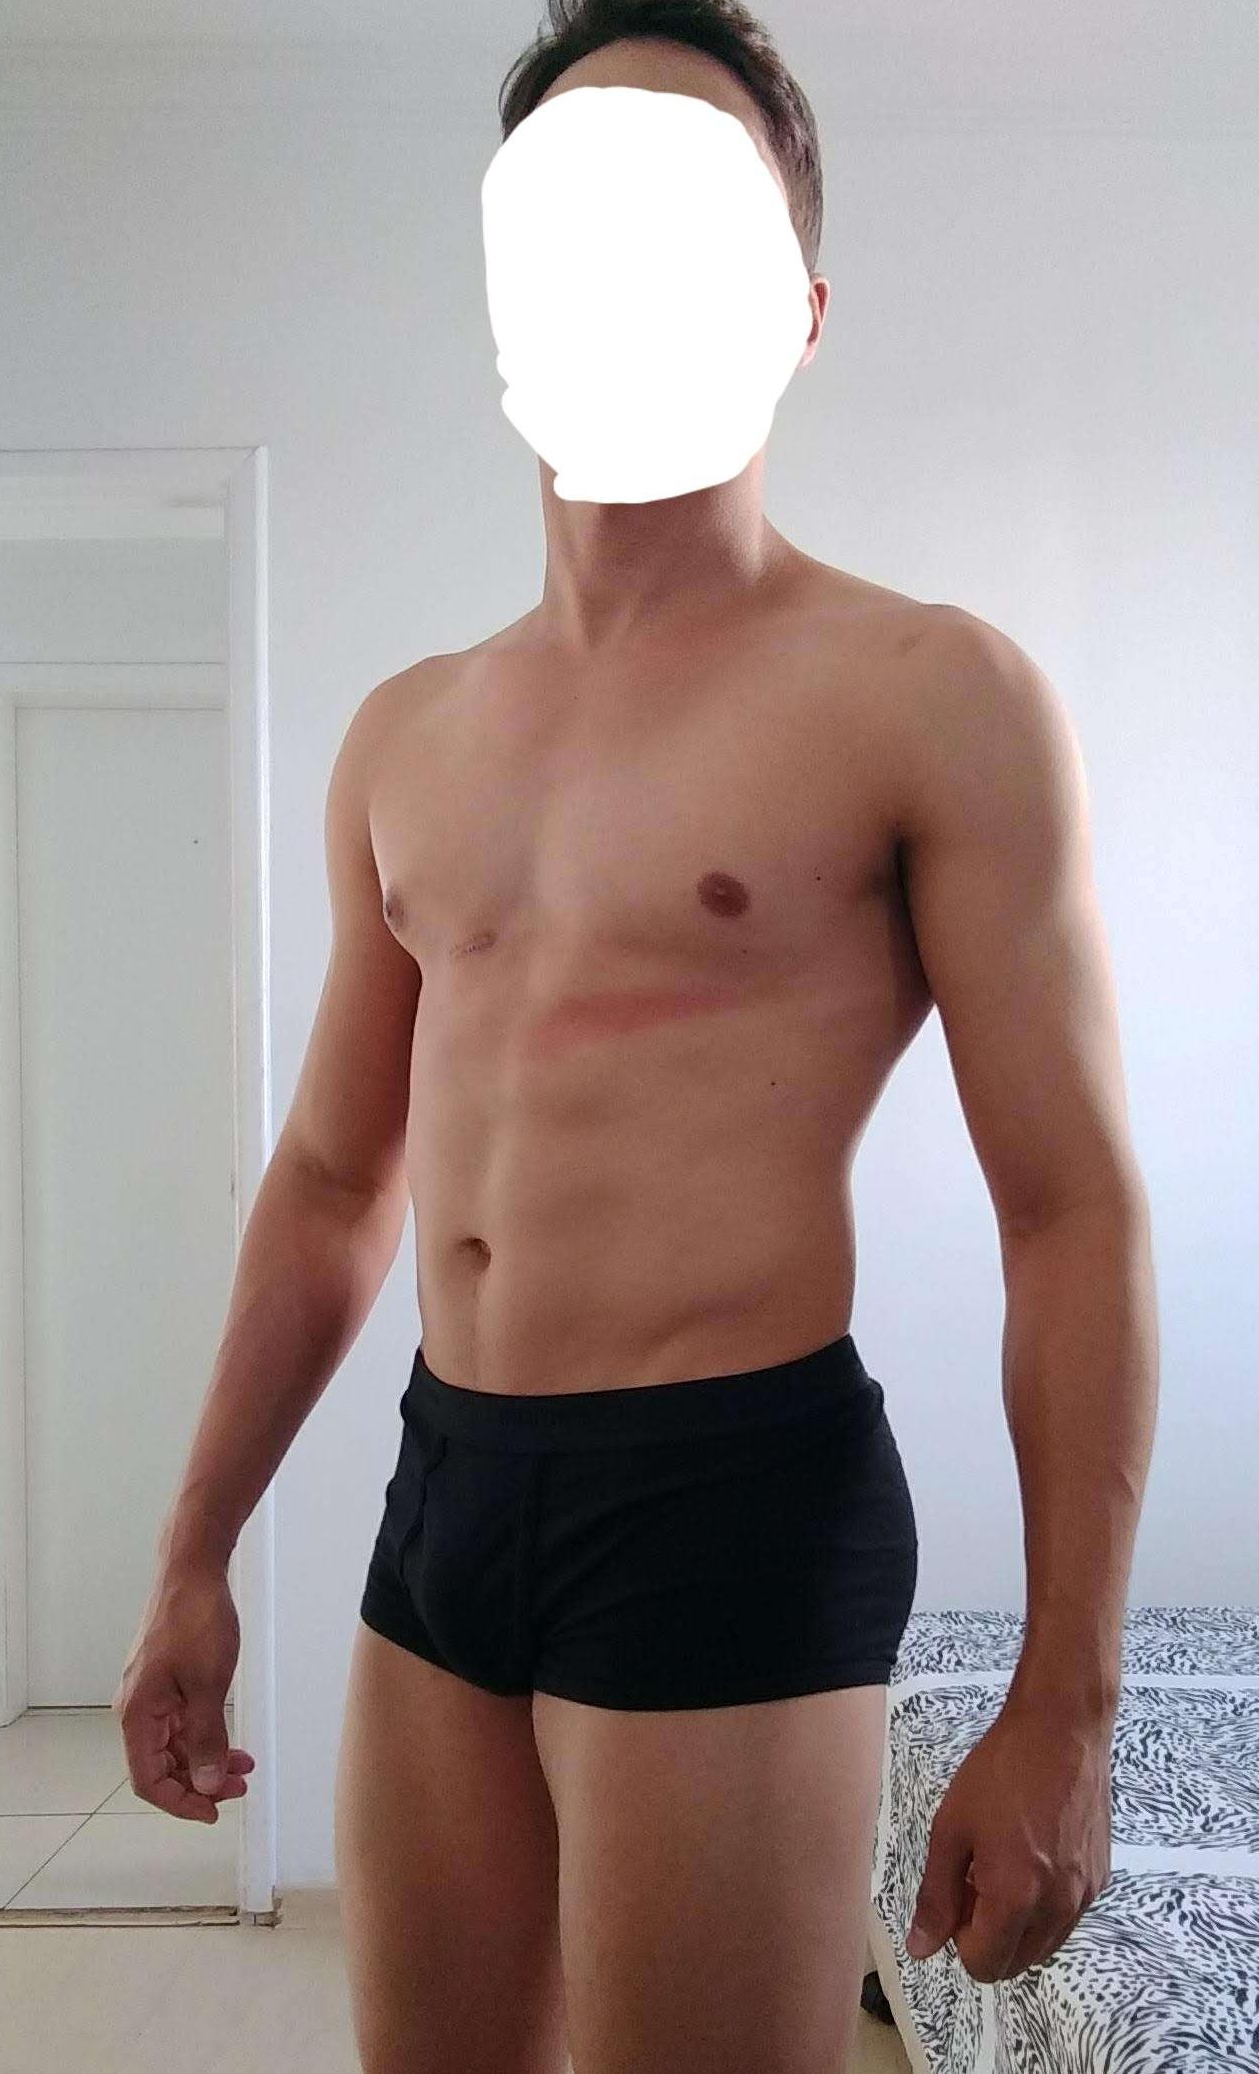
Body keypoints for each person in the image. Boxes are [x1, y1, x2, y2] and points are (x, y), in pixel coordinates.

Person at [115, 7, 1158, 2073]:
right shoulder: (407, 732)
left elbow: (1074, 1210)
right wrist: (192, 1549)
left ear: (797, 306)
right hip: (450, 1481)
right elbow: (332, 1178)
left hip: (731, 1491)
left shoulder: (928, 695)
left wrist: (1069, 1696)